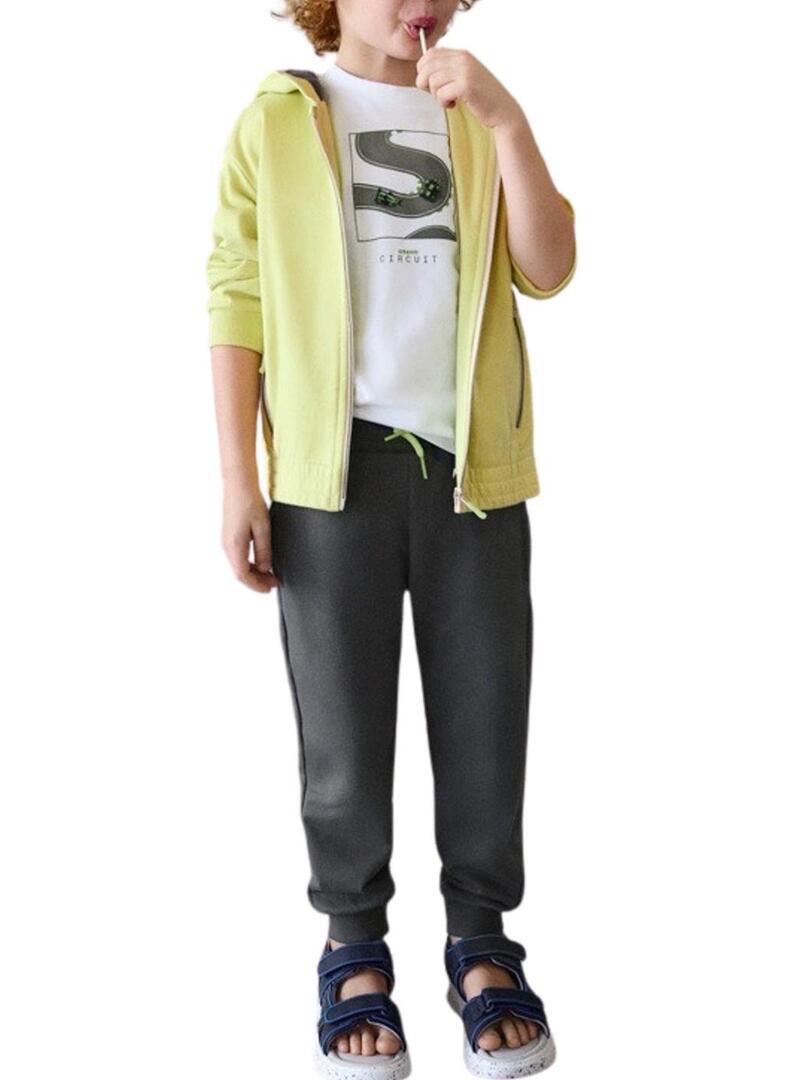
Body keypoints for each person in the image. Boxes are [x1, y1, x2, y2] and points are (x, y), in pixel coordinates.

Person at [206, 2, 575, 1075]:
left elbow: (549, 267)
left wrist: (507, 122)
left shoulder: (472, 112)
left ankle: (479, 939)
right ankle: (353, 942)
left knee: (485, 713)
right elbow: (236, 299)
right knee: (342, 731)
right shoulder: (278, 119)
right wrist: (239, 480)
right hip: (330, 479)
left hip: (474, 476)